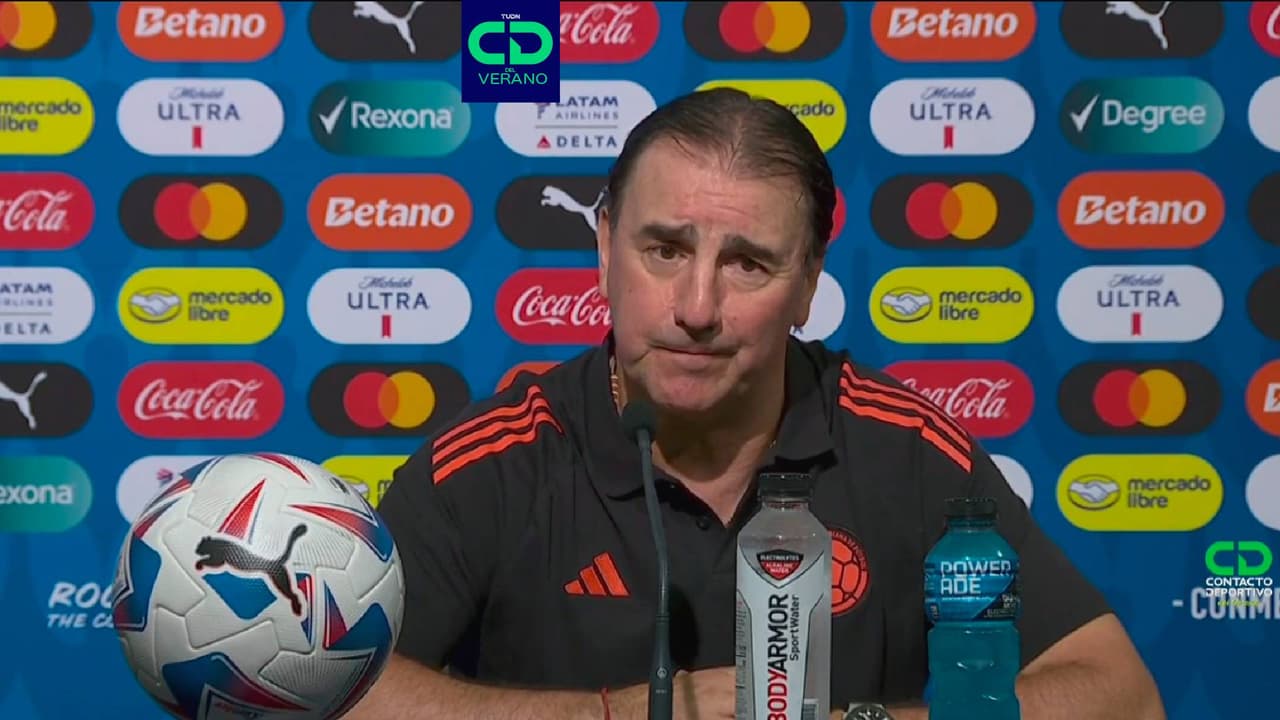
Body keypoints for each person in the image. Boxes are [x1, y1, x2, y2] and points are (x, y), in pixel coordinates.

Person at [348, 87, 1166, 720]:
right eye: (664, 250)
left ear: (808, 284)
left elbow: (1121, 695)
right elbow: (339, 695)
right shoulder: (496, 459)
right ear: (603, 250)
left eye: (747, 264)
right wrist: (619, 713)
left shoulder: (906, 449)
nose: (696, 306)